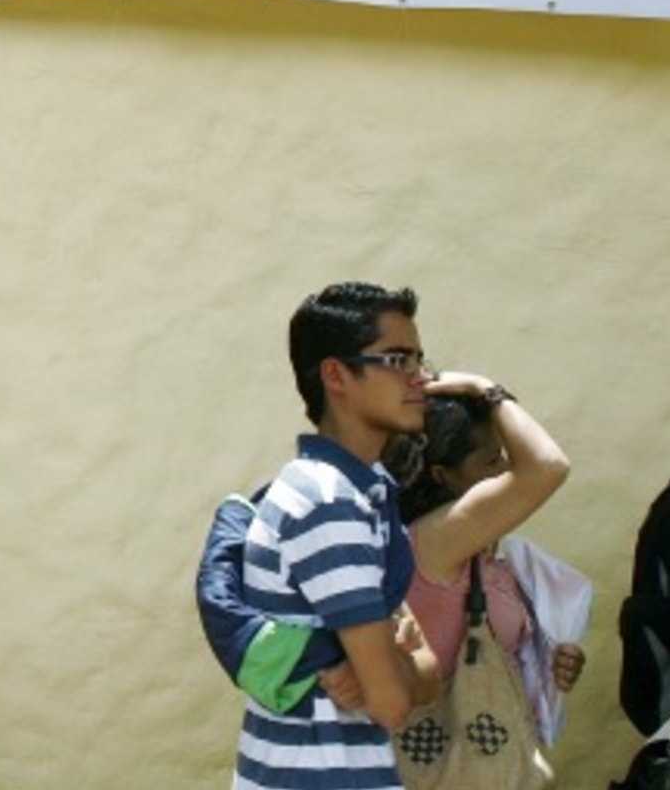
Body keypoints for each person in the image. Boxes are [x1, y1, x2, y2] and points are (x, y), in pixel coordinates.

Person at [233, 282, 440, 790]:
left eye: (419, 359)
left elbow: (422, 674)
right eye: (396, 359)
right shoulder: (329, 503)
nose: (421, 378)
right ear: (335, 374)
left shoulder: (356, 491)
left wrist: (390, 664)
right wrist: (397, 660)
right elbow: (392, 703)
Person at [387, 383, 582, 761]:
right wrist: (488, 391)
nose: (509, 469)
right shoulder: (433, 541)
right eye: (492, 461)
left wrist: (547, 664)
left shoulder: (487, 553)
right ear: (442, 474)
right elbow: (548, 467)